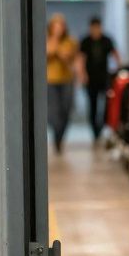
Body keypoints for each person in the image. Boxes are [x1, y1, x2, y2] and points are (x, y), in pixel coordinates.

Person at [77, 16, 121, 138]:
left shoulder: (106, 40)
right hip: (90, 79)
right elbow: (81, 59)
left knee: (107, 103)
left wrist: (118, 69)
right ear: (91, 28)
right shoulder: (86, 41)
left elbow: (115, 54)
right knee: (93, 105)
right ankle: (95, 130)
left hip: (104, 78)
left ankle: (102, 125)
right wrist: (82, 75)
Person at [45, 14, 80, 154]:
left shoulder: (70, 41)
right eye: (56, 26)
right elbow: (46, 54)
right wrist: (54, 45)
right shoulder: (46, 40)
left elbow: (69, 58)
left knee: (66, 109)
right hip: (50, 80)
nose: (58, 29)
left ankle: (59, 138)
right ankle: (56, 134)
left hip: (67, 80)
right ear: (51, 28)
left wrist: (57, 49)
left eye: (61, 26)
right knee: (53, 112)